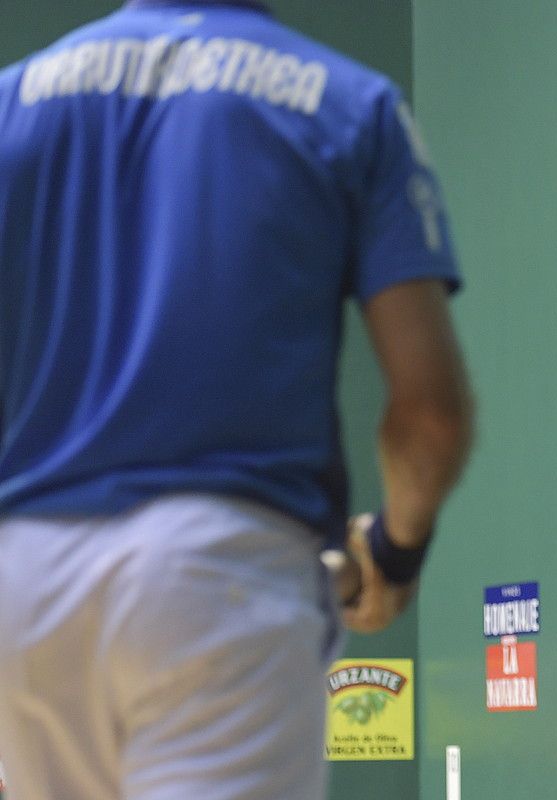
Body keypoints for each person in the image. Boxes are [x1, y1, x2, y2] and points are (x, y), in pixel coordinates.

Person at [0, 2, 473, 798]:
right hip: (217, 581)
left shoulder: (13, 101)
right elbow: (431, 414)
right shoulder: (349, 104)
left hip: (23, 588)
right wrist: (394, 551)